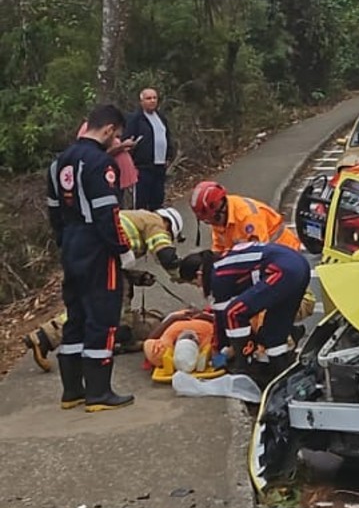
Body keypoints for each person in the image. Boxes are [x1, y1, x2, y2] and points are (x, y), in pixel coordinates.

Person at [47, 104, 136, 411]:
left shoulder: (58, 163)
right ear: (109, 129)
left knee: (76, 315)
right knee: (103, 315)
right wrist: (122, 249)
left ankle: (72, 390)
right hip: (97, 246)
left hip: (71, 243)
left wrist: (66, 241)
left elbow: (54, 211)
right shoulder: (100, 163)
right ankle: (99, 392)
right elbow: (107, 214)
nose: (118, 142)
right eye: (117, 136)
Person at [24, 207, 187, 371]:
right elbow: (165, 255)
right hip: (100, 255)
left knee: (103, 299)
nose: (167, 237)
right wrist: (186, 275)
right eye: (170, 235)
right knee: (106, 302)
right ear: (169, 224)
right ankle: (47, 336)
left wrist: (137, 276)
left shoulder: (137, 219)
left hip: (86, 252)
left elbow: (120, 261)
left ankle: (121, 334)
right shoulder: (155, 221)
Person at [178, 243, 312, 384]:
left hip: (282, 271)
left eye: (195, 283)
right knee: (273, 333)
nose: (199, 287)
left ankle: (245, 367)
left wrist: (218, 356)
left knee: (234, 313)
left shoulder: (217, 274)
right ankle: (280, 373)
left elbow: (221, 321)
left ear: (199, 275)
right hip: (299, 266)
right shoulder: (223, 263)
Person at [190, 180, 303, 253]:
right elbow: (219, 249)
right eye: (207, 222)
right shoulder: (219, 219)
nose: (214, 225)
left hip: (285, 252)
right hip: (264, 254)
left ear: (222, 207)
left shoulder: (248, 217)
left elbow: (260, 253)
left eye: (215, 220)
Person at [124, 88, 174, 210]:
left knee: (157, 201)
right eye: (148, 98)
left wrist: (168, 156)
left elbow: (166, 136)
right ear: (141, 101)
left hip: (159, 167)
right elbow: (127, 140)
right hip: (142, 168)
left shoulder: (161, 118)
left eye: (154, 98)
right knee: (141, 202)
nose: (152, 101)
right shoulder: (136, 119)